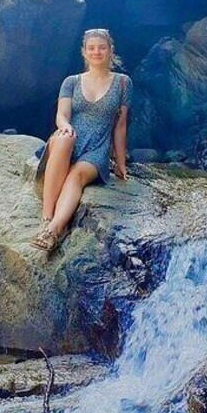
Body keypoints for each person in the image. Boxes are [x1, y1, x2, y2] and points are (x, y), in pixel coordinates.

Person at [31, 28, 131, 251]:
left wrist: (121, 163)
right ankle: (46, 218)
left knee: (76, 175)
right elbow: (62, 115)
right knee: (65, 139)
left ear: (110, 51)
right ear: (84, 52)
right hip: (69, 138)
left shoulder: (123, 83)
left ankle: (54, 230)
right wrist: (65, 126)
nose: (97, 52)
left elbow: (121, 125)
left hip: (96, 148)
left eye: (102, 47)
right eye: (91, 48)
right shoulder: (71, 81)